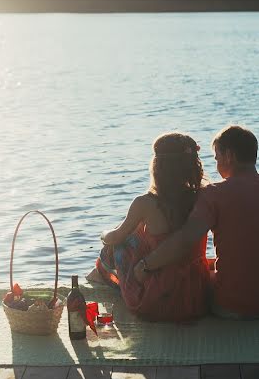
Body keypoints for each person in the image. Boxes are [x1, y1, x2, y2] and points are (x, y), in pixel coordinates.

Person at [133, 125, 259, 319]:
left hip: (232, 306)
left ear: (229, 156)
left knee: (200, 279)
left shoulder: (214, 194)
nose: (215, 164)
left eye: (217, 157)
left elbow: (185, 240)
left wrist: (146, 264)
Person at [90, 132, 210, 322]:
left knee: (118, 245)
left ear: (157, 167)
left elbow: (115, 237)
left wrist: (103, 234)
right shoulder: (204, 197)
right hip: (197, 295)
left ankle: (104, 279)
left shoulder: (145, 203)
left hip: (159, 298)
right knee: (137, 235)